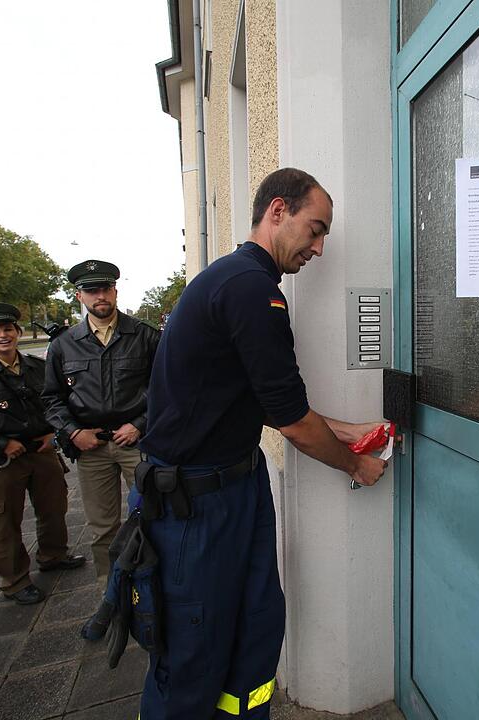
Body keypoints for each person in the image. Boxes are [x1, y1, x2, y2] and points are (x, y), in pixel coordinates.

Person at [136, 168, 387, 719]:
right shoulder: (251, 290)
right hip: (195, 507)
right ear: (278, 211)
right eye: (315, 230)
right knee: (192, 652)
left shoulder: (236, 281)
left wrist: (348, 429)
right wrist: (356, 465)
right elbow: (293, 422)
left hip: (233, 487)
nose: (320, 248)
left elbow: (269, 405)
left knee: (252, 634)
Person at [0, 303, 84, 605]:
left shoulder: (37, 367)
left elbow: (55, 403)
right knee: (4, 522)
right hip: (3, 462)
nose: (3, 335)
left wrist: (54, 432)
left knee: (53, 507)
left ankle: (53, 555)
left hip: (42, 451)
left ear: (18, 332)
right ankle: (15, 581)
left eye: (8, 329)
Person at [42, 261, 160, 581]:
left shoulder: (146, 336)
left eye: (105, 289)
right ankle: (111, 594)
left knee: (152, 515)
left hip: (136, 442)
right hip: (91, 447)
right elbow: (51, 399)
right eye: (92, 291)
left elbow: (169, 390)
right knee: (102, 528)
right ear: (79, 296)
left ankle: (151, 590)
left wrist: (140, 424)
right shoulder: (63, 345)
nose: (100, 296)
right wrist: (73, 431)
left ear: (115, 292)